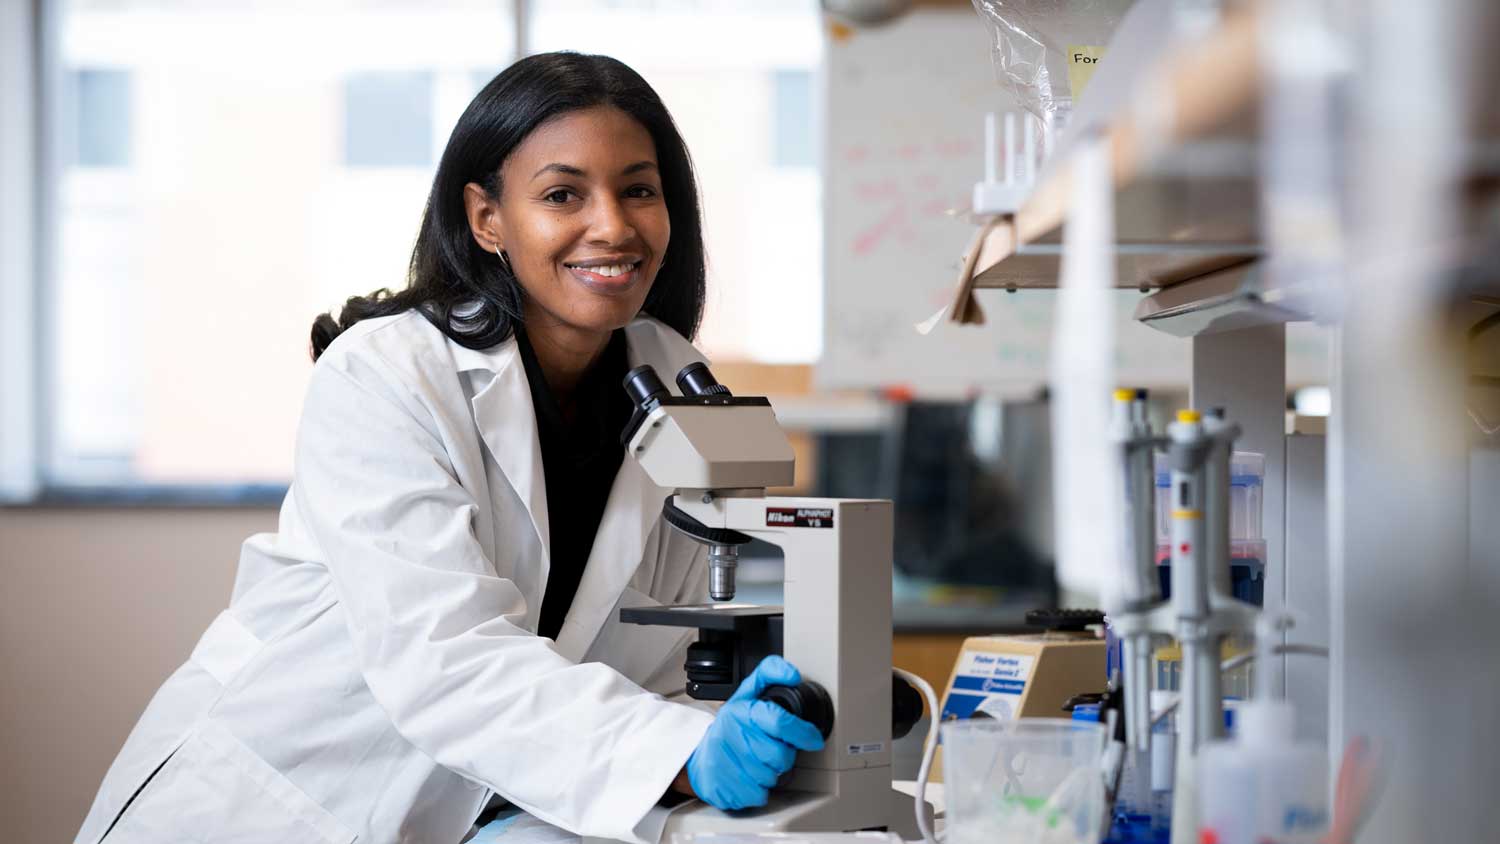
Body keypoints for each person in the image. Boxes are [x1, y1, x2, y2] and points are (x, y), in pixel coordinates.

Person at [76, 52, 824, 844]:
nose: (613, 225)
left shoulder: (676, 384)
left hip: (482, 809)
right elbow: (446, 658)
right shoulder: (385, 376)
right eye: (563, 193)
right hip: (281, 803)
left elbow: (642, 666)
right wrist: (679, 750)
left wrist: (726, 727)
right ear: (486, 217)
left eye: (638, 189)